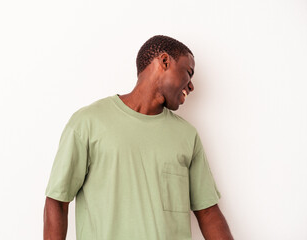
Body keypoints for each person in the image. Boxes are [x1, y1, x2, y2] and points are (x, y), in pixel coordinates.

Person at [43, 35, 234, 240]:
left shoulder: (187, 135)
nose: (192, 86)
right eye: (189, 72)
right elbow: (57, 202)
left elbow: (208, 213)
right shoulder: (88, 122)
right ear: (164, 61)